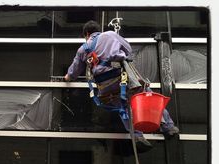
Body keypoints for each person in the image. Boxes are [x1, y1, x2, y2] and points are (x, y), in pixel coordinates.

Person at [64, 20, 179, 151]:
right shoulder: (110, 35)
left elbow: (72, 73)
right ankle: (168, 127)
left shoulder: (83, 49)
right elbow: (128, 49)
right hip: (122, 77)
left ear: (86, 34)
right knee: (147, 96)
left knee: (123, 108)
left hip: (105, 86)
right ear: (97, 31)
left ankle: (137, 136)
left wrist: (67, 77)